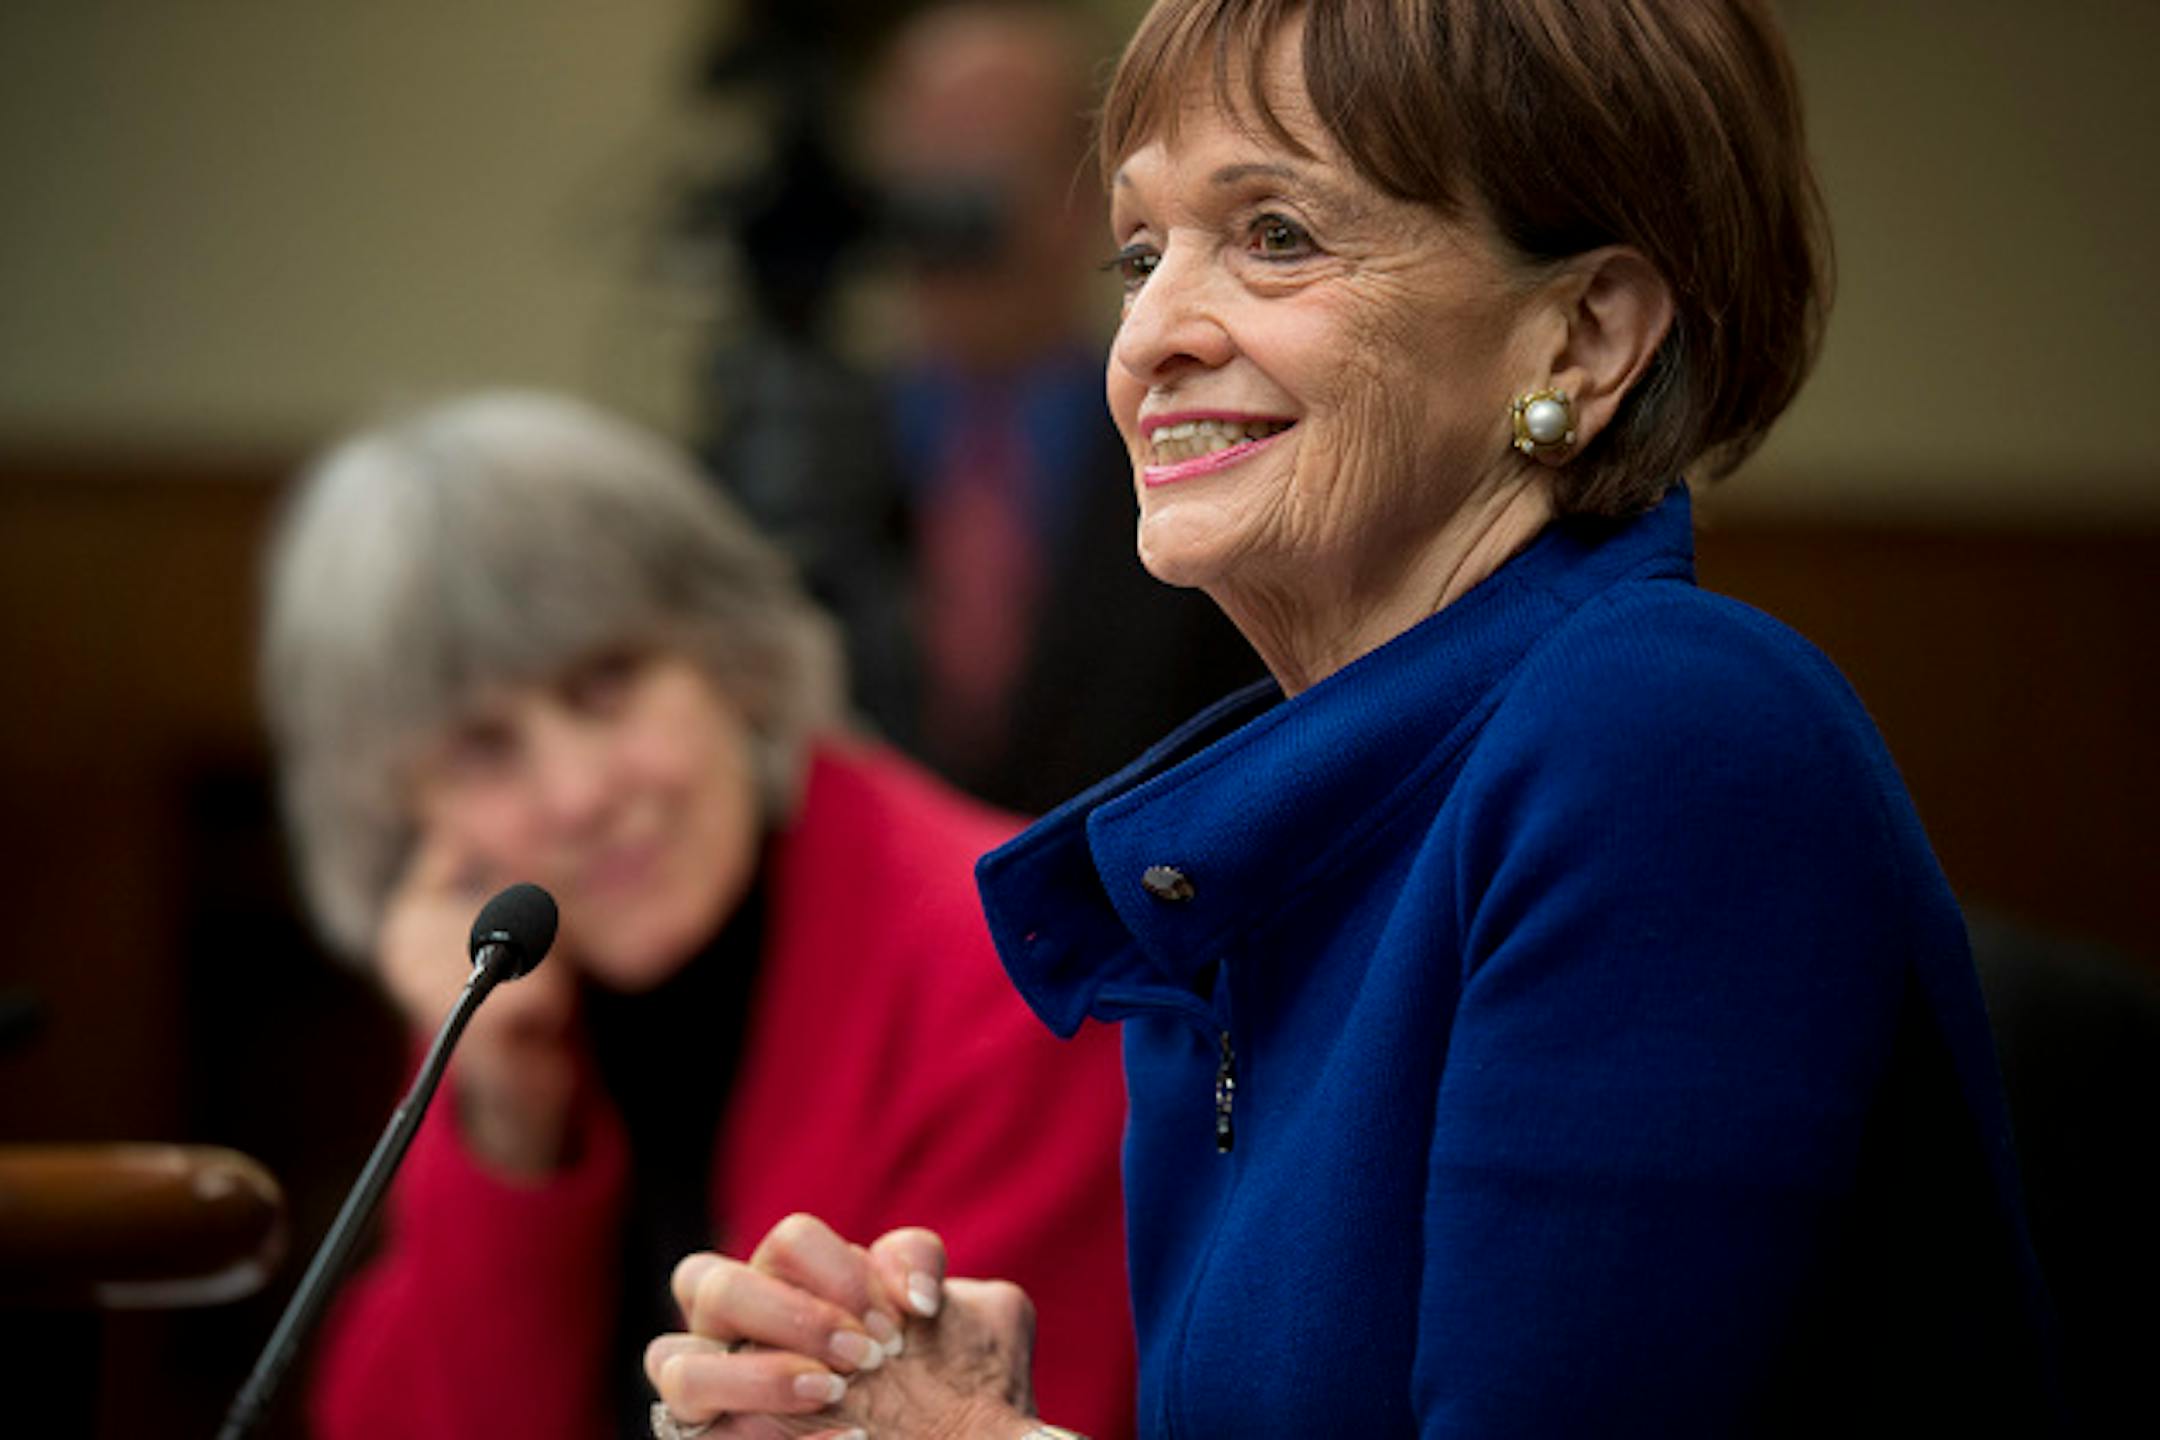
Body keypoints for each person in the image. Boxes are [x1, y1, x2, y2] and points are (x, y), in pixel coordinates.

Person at [643, 0, 2067, 1435]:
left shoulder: (1666, 735)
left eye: (1276, 236)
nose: (1149, 339)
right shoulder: (1261, 844)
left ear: (1582, 337)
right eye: (1138, 255)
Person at [257, 391, 1135, 1440]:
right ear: (398, 816)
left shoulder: (1012, 962)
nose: (577, 793)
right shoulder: (506, 980)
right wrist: (504, 1120)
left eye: (606, 684)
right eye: (484, 747)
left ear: (731, 659)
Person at [713, 0, 1263, 816]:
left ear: (1091, 197)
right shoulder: (791, 464)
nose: (942, 208)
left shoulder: (1200, 438)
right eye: (919, 165)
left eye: (986, 163)